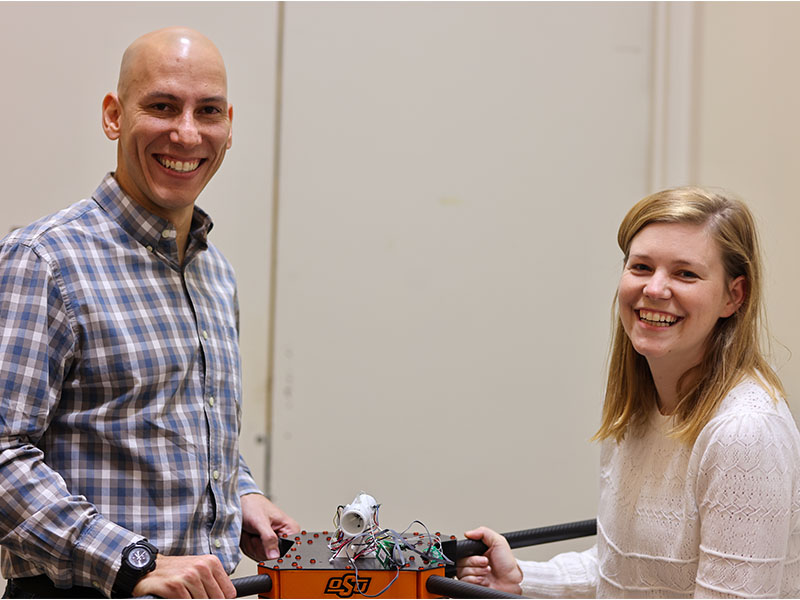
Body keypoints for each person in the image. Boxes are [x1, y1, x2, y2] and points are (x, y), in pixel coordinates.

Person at [0, 27, 299, 599]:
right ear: (114, 116)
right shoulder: (44, 261)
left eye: (207, 111)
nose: (187, 133)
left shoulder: (215, 273)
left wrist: (242, 493)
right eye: (162, 106)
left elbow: (182, 428)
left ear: (229, 125)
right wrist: (131, 562)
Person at [457, 187, 800, 597]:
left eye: (685, 273)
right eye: (641, 267)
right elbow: (626, 571)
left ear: (733, 296)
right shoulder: (639, 409)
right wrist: (518, 580)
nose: (655, 289)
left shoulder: (744, 433)